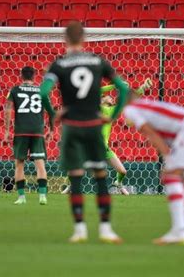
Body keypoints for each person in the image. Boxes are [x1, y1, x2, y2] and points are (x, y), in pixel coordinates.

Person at [40, 22, 129, 243]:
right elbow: (125, 88)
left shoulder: (59, 64)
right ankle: (106, 229)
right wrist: (112, 115)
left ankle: (80, 230)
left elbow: (43, 92)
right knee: (100, 176)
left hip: (72, 127)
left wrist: (54, 114)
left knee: (76, 178)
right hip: (93, 126)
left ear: (66, 40)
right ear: (84, 39)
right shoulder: (98, 61)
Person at [123, 91, 184, 245]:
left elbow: (151, 133)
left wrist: (167, 158)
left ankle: (179, 231)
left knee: (170, 175)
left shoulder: (131, 108)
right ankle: (180, 230)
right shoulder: (148, 105)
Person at [60, 78, 153, 195]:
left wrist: (143, 87)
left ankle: (118, 184)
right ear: (101, 100)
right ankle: (70, 186)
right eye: (107, 96)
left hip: (104, 148)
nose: (111, 97)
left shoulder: (111, 111)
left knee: (122, 171)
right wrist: (114, 86)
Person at [4, 66, 55, 205]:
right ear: (34, 76)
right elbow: (51, 112)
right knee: (40, 163)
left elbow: (8, 110)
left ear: (22, 76)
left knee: (19, 164)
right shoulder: (41, 91)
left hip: (21, 131)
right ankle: (42, 196)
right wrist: (51, 129)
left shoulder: (14, 90)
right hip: (37, 131)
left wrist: (7, 130)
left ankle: (21, 198)